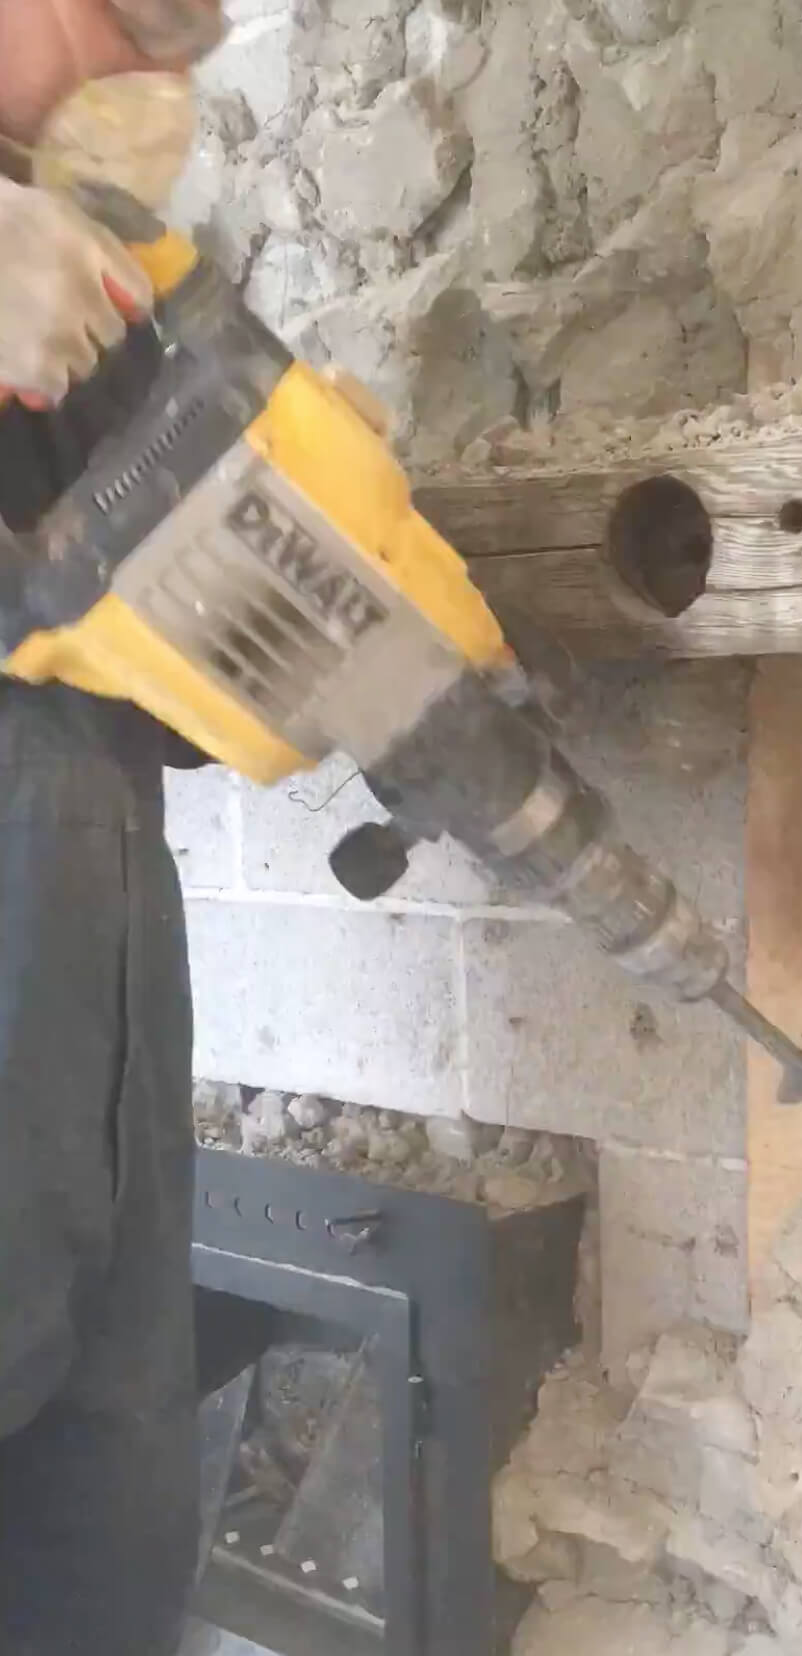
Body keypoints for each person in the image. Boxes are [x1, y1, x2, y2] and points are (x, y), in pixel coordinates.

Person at [0, 5, 224, 1652]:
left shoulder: (100, 274)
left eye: (188, 32)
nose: (139, 75)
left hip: (100, 1039)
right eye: (117, 17)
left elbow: (165, 699)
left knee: (107, 1528)